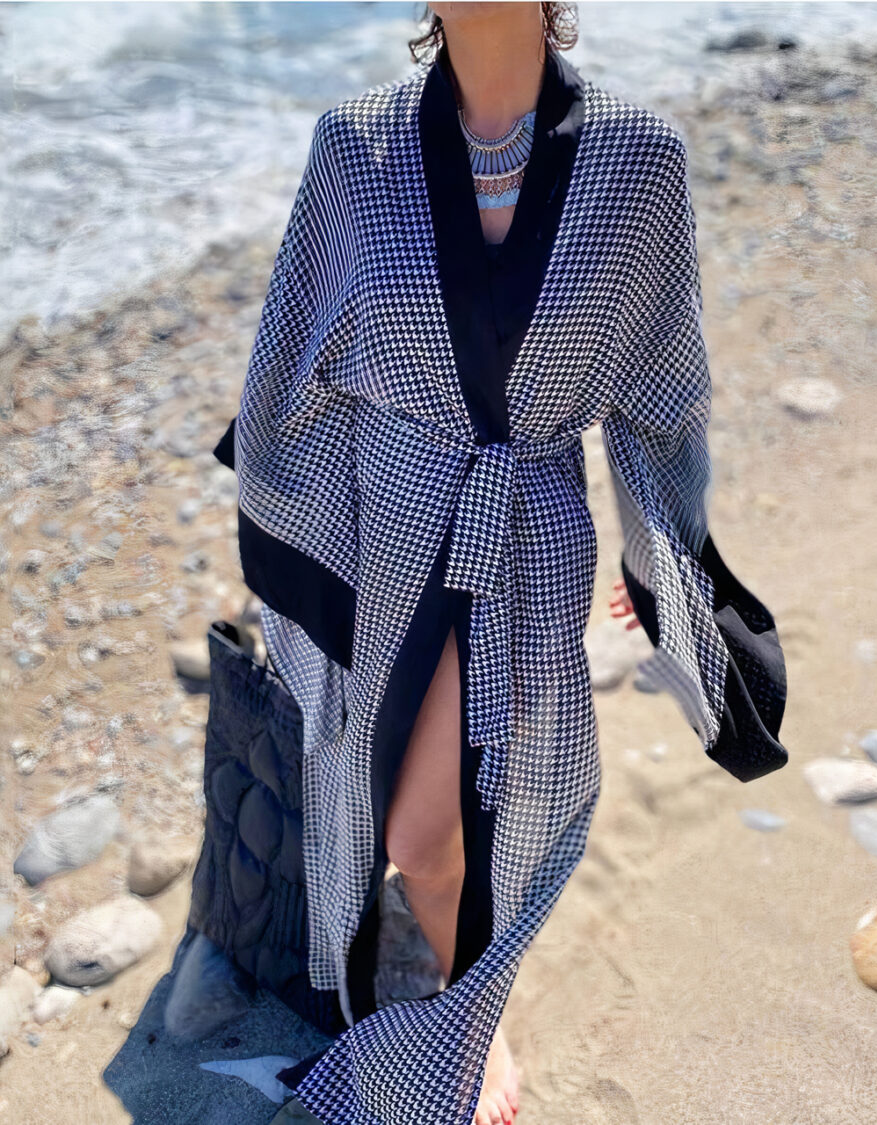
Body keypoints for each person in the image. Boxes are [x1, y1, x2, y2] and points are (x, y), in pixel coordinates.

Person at [212, 3, 788, 1123]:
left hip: (526, 526)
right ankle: (468, 989)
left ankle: (473, 1022)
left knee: (448, 822)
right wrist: (304, 544)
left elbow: (661, 399)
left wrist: (664, 558)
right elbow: (288, 365)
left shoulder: (636, 157)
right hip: (389, 521)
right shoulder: (354, 144)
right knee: (409, 811)